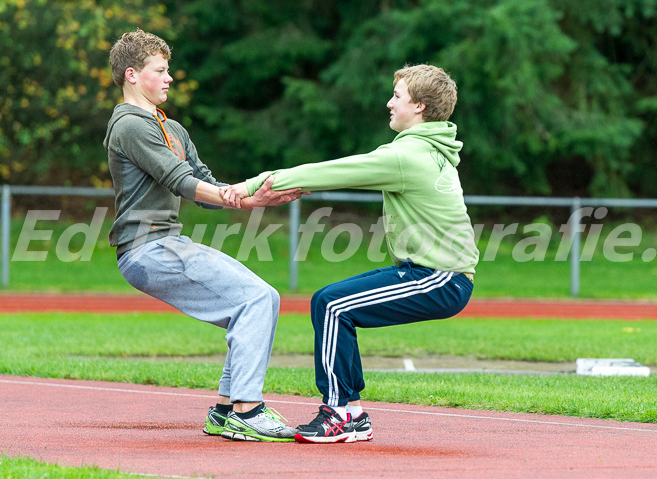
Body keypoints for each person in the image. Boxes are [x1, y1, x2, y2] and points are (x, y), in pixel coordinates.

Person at [222, 64, 479, 443]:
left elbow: (329, 171)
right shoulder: (432, 148)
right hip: (436, 274)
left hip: (439, 278)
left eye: (397, 96)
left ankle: (338, 413)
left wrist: (251, 185)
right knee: (333, 304)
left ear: (420, 107)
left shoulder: (408, 156)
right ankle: (352, 413)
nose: (389, 103)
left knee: (332, 306)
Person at [105, 29, 303, 442]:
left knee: (254, 302)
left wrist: (256, 197)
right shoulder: (128, 124)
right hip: (148, 248)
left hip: (165, 244)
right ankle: (246, 413)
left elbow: (207, 188)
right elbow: (181, 182)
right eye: (160, 70)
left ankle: (228, 410)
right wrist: (241, 197)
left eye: (168, 69)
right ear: (131, 75)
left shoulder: (171, 127)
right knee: (255, 299)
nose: (169, 78)